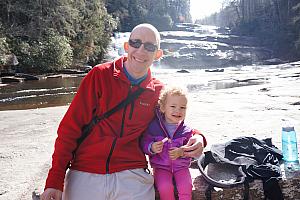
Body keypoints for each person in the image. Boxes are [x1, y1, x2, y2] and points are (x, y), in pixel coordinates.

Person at [41, 23, 204, 200]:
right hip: (86, 170)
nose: (141, 51)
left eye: (149, 47)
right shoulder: (100, 75)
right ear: (126, 46)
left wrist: (199, 136)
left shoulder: (158, 92)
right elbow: (69, 129)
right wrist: (54, 180)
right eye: (136, 43)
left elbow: (174, 122)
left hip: (132, 175)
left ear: (158, 54)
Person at [141, 86, 207, 200]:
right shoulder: (154, 127)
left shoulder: (186, 130)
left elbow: (193, 151)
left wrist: (182, 152)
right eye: (173, 106)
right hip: (161, 167)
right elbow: (144, 142)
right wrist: (152, 147)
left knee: (186, 186)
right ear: (162, 107)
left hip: (181, 168)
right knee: (164, 187)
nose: (178, 111)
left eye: (183, 107)